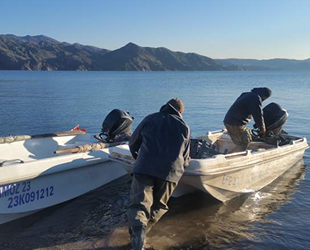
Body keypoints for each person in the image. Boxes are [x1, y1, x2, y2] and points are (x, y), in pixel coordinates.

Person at [127, 98, 191, 250]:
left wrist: (139, 158)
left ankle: (138, 238)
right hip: (170, 173)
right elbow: (186, 157)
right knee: (158, 206)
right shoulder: (184, 126)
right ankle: (140, 237)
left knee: (139, 205)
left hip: (145, 167)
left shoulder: (151, 118)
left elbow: (133, 142)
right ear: (180, 112)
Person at [223, 87, 272, 153]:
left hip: (228, 121)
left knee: (243, 139)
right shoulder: (255, 98)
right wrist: (262, 128)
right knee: (245, 141)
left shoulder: (246, 94)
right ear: (264, 96)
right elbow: (258, 115)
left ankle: (231, 153)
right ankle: (231, 158)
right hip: (236, 123)